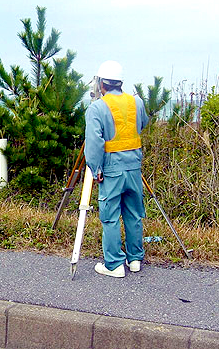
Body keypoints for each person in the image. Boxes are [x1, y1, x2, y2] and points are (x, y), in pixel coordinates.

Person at [84, 61, 149, 278]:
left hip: (111, 169)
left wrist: (96, 168)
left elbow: (94, 143)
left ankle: (114, 264)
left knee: (110, 216)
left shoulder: (97, 107)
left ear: (101, 83)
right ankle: (135, 259)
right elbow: (143, 123)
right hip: (134, 166)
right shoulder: (136, 102)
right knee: (133, 213)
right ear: (120, 82)